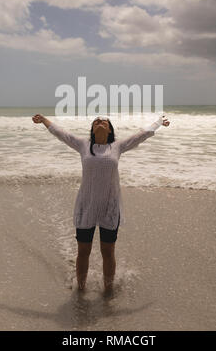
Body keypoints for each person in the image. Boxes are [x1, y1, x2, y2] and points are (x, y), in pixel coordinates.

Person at [32, 113, 170, 292]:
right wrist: (44, 120)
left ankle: (108, 290)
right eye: (96, 121)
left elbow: (141, 135)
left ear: (110, 129)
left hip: (109, 207)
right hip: (86, 206)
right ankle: (80, 289)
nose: (100, 122)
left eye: (104, 121)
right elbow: (61, 133)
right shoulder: (83, 145)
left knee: (108, 251)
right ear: (92, 129)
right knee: (83, 250)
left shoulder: (117, 146)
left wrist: (159, 122)